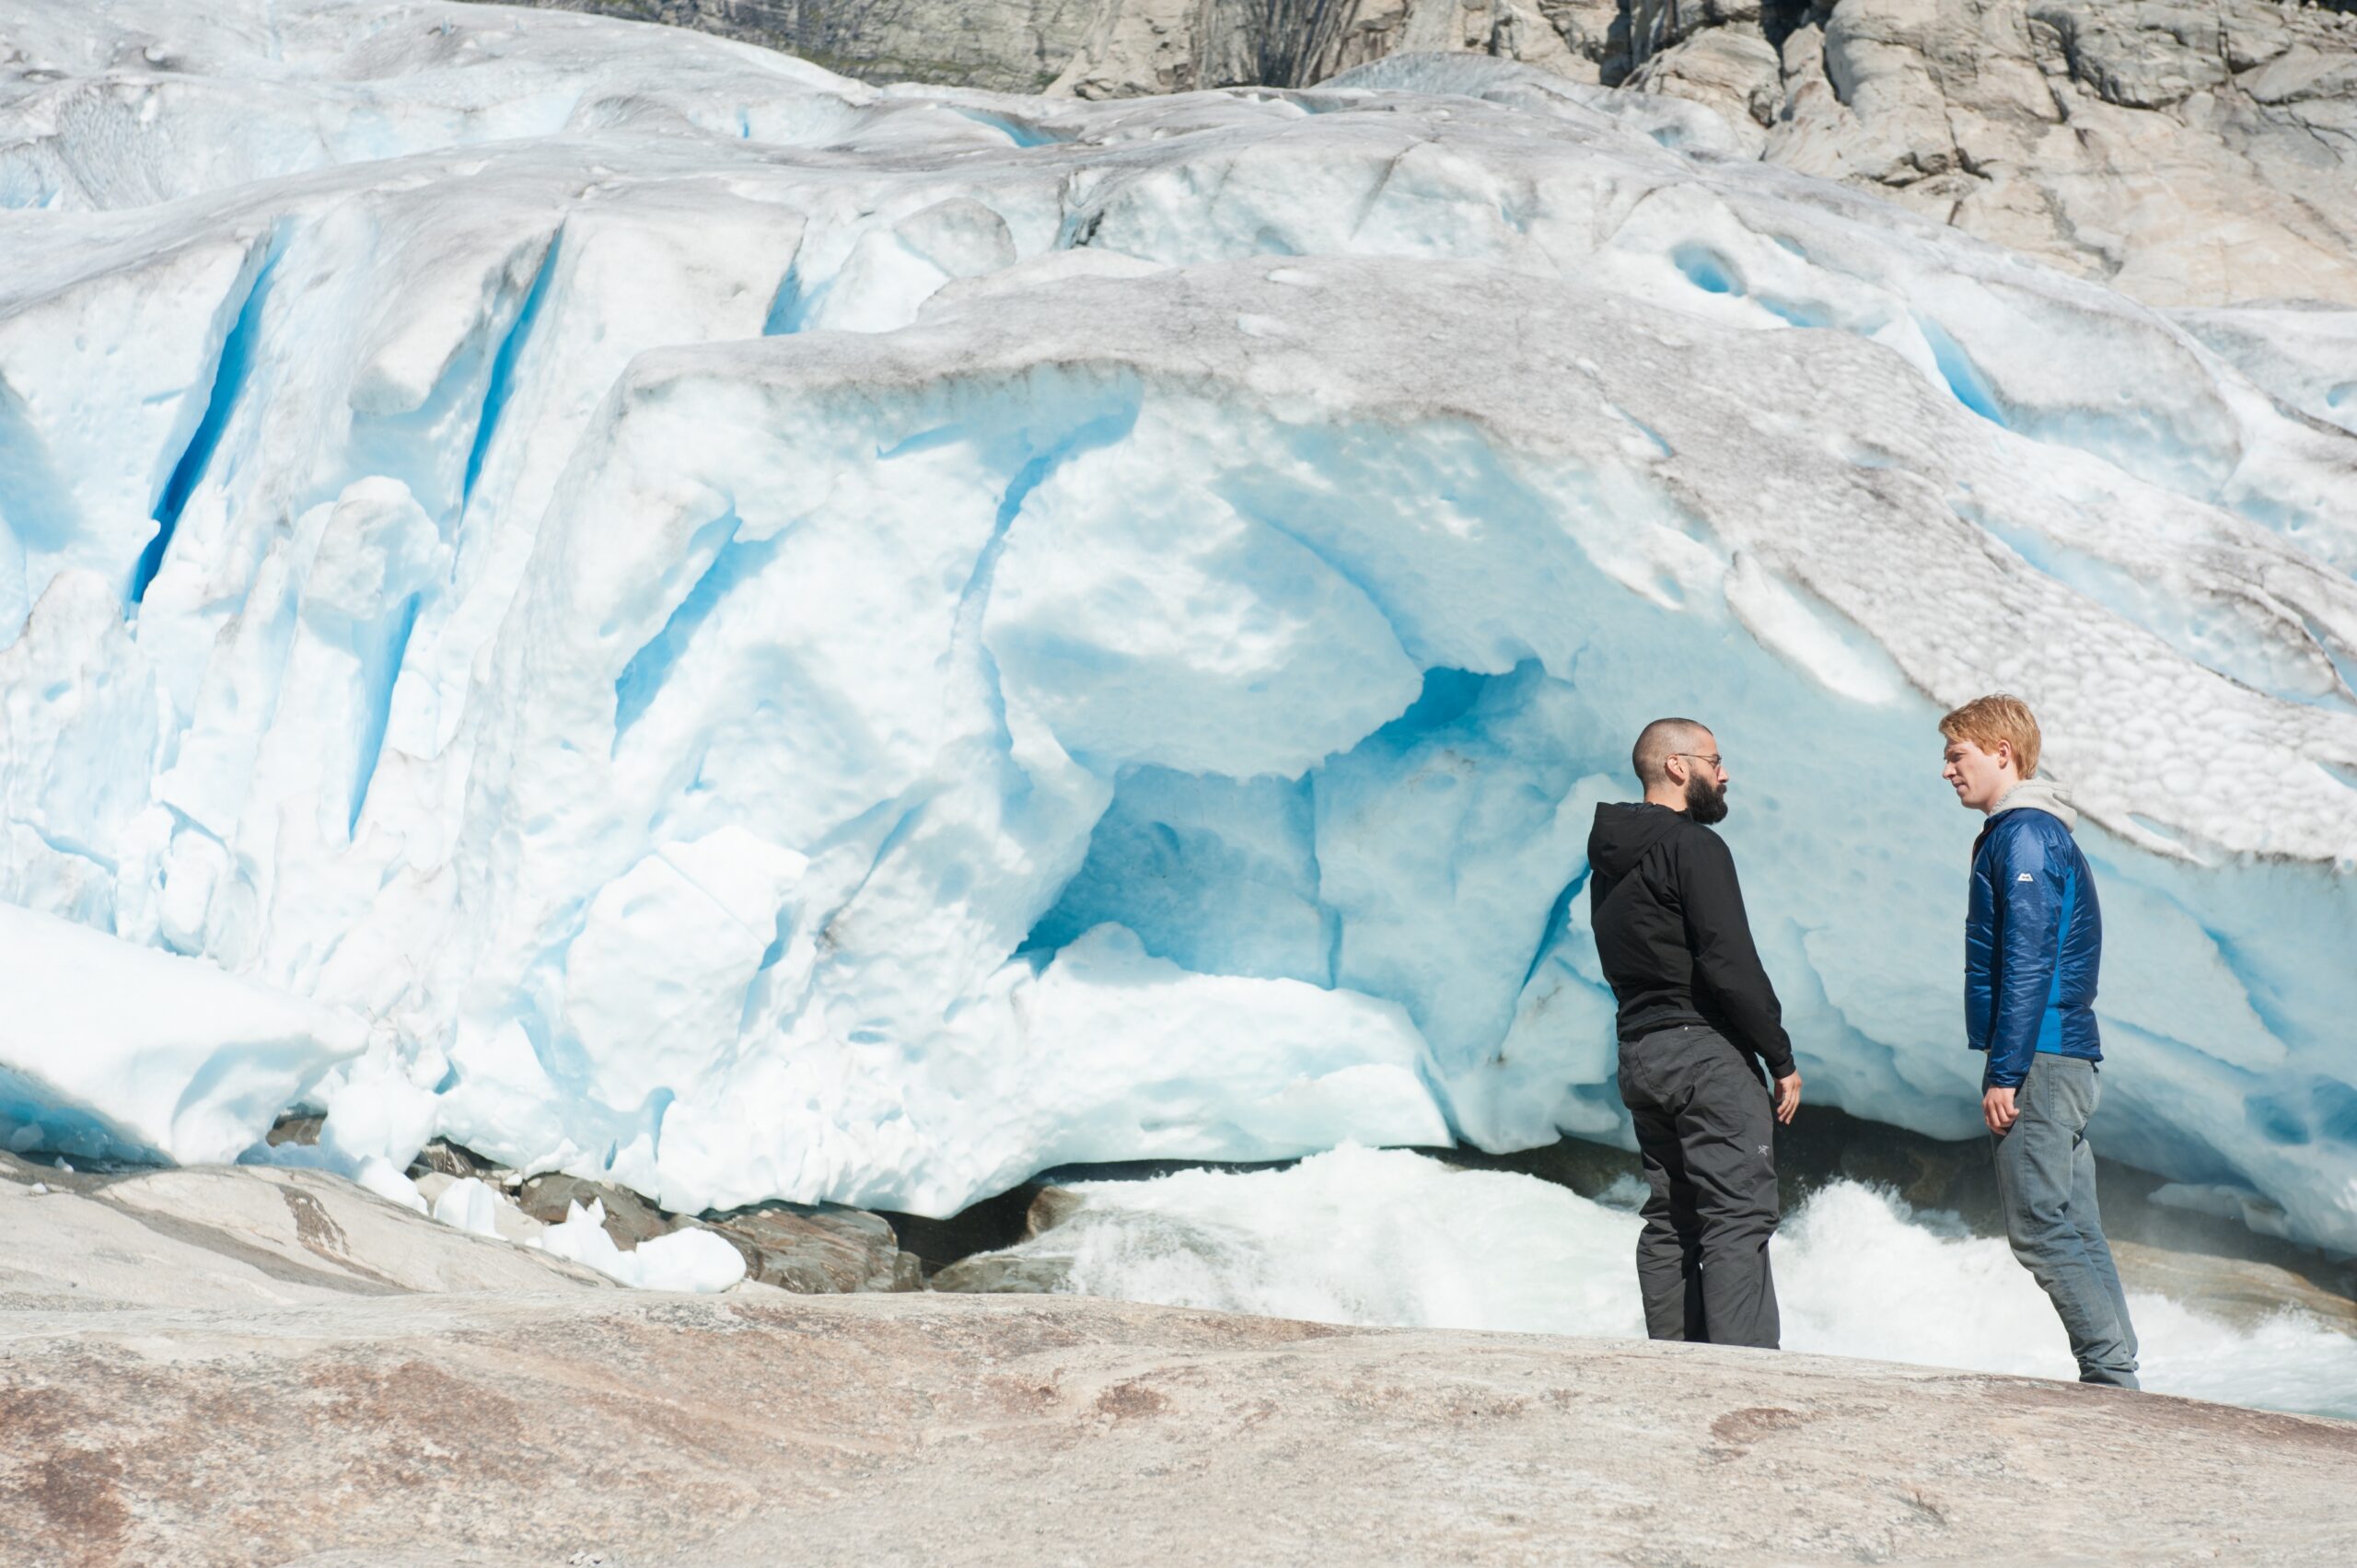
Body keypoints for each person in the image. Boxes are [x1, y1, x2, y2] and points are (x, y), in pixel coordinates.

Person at [1940, 694, 2139, 1388]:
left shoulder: (2023, 834)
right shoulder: (2036, 832)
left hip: (2041, 1059)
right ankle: (2118, 1373)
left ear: (2003, 752)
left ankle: (2112, 1379)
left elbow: (2027, 956)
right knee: (2075, 1224)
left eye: (1956, 754)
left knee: (2040, 1228)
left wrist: (2007, 1070)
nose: (1947, 770)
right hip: (2066, 1054)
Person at [1587, 717, 1801, 1349]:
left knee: (1672, 1215)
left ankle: (1676, 1368)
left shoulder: (1611, 856)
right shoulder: (1694, 847)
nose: (1725, 772)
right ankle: (1742, 1376)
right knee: (1738, 1214)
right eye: (1714, 759)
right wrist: (1779, 1056)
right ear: (1678, 766)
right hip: (1705, 1053)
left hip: (1641, 1050)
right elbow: (1728, 960)